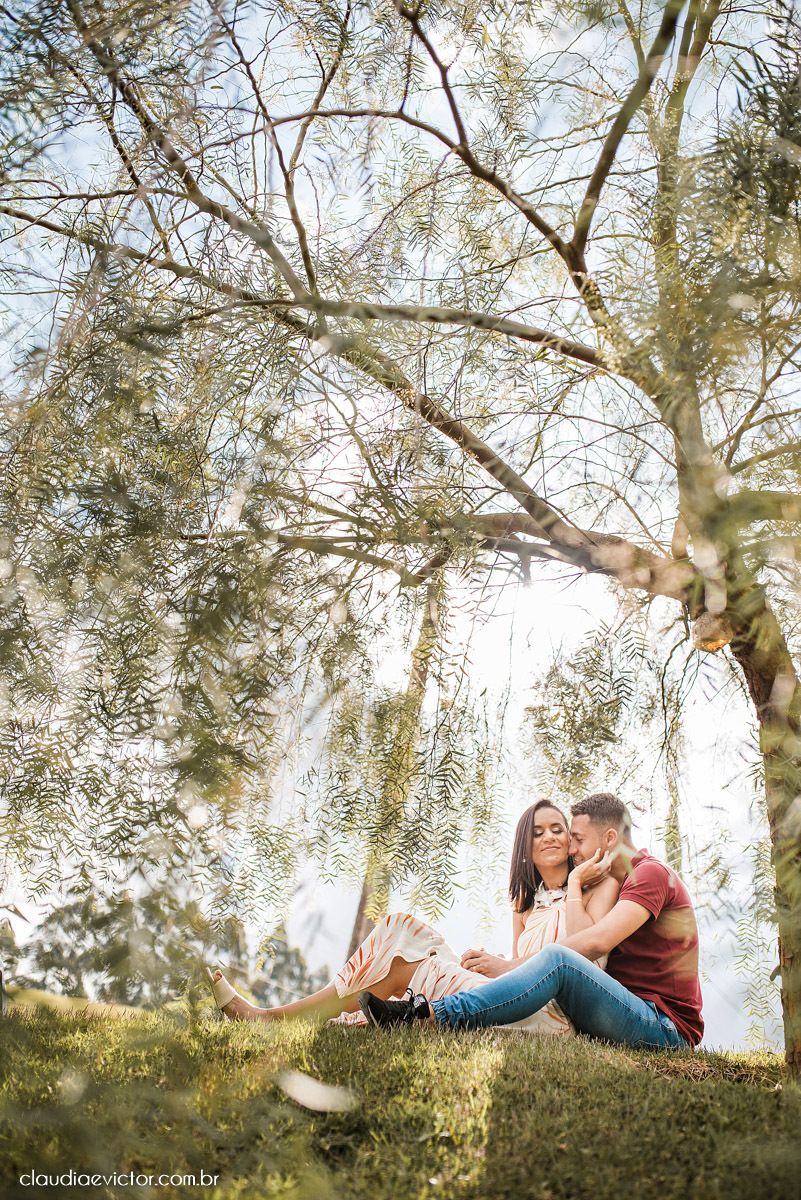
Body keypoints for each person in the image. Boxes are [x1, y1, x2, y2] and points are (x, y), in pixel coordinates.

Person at [208, 798, 618, 1029]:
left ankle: (275, 1018)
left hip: (555, 1018)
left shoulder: (597, 886)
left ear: (571, 841)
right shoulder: (524, 907)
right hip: (508, 998)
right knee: (399, 927)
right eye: (536, 830)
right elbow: (514, 973)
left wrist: (575, 888)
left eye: (558, 829)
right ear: (523, 848)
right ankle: (306, 1014)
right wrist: (491, 965)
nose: (548, 836)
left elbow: (589, 959)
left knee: (409, 973)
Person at [359, 792, 704, 1052]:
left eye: (578, 840)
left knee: (559, 959)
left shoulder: (650, 874)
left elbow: (596, 943)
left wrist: (512, 966)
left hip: (665, 1028)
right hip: (625, 1010)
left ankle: (427, 1016)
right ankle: (413, 1010)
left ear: (610, 838)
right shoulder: (624, 883)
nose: (572, 850)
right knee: (554, 962)